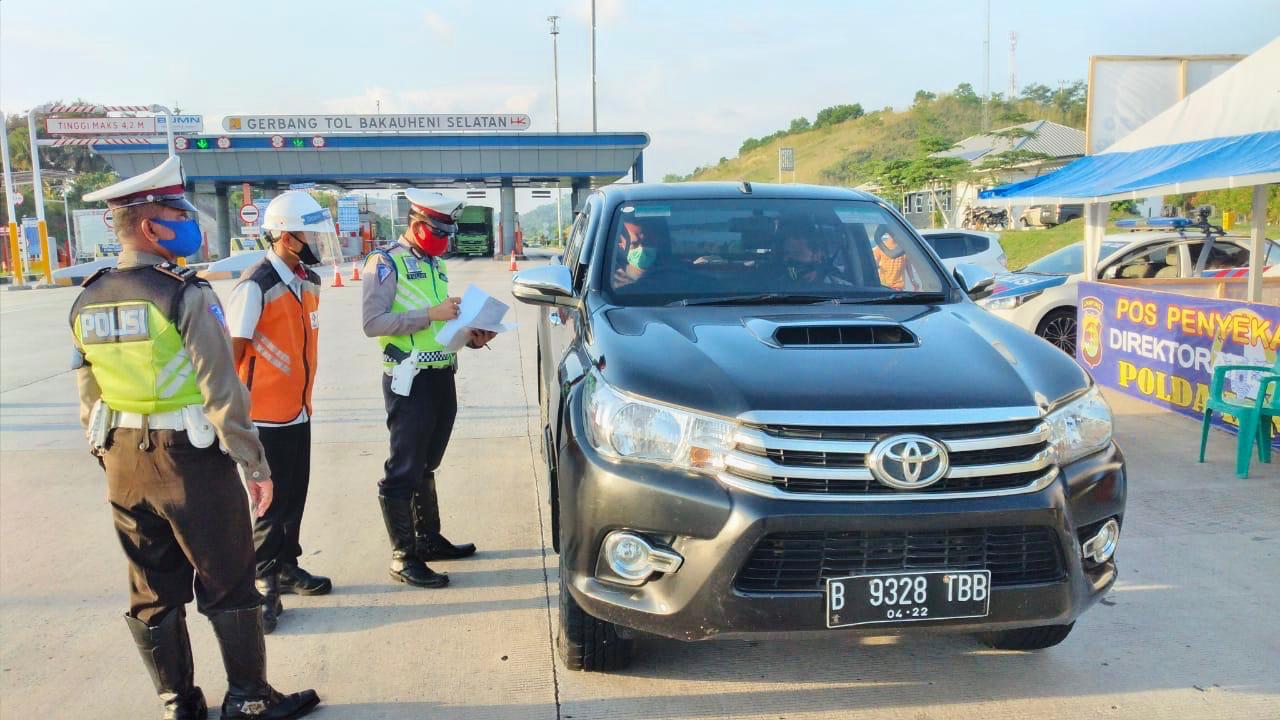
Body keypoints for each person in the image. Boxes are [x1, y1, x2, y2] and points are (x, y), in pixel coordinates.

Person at [73, 157, 319, 719]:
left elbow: (88, 392)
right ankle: (250, 699)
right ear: (151, 226)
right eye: (177, 212)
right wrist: (254, 466)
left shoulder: (88, 297)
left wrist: (108, 457)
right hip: (190, 460)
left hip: (122, 462)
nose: (189, 221)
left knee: (151, 588)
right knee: (227, 581)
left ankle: (179, 703)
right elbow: (222, 390)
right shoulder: (182, 294)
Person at [361, 189, 496, 588]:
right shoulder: (384, 262)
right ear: (417, 224)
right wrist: (429, 314)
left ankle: (427, 539)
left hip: (441, 373)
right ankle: (404, 557)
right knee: (404, 466)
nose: (443, 239)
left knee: (427, 462)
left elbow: (439, 326)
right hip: (409, 378)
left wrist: (470, 334)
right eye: (437, 230)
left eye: (446, 232)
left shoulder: (435, 265)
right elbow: (373, 323)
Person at [225, 191, 334, 634]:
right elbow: (232, 350)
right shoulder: (256, 283)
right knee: (270, 504)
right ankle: (263, 582)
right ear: (287, 236)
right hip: (264, 415)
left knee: (294, 495)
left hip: (298, 410)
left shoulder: (305, 281)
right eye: (309, 234)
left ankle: (287, 566)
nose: (316, 242)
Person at [779, 221, 850, 286]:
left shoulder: (841, 288)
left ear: (817, 255)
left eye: (796, 253)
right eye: (786, 253)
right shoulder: (775, 286)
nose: (785, 259)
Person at [612, 217, 668, 288]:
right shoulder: (612, 283)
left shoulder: (672, 274)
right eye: (635, 244)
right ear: (620, 245)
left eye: (647, 243)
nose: (642, 249)